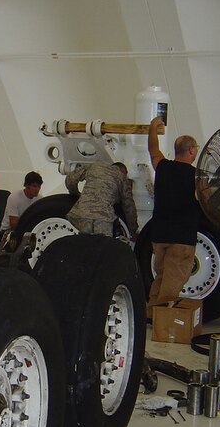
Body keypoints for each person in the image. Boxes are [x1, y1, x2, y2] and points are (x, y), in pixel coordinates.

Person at [146, 116, 201, 319]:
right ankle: (163, 322)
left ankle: (150, 315)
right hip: (182, 238)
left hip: (160, 236)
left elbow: (153, 149)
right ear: (191, 150)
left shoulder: (163, 167)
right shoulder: (198, 177)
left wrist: (152, 128)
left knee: (161, 278)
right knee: (173, 284)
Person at [65, 162, 138, 238]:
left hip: (84, 213)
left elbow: (71, 178)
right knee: (103, 243)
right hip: (103, 217)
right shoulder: (121, 176)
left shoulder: (95, 166)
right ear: (123, 171)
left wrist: (74, 193)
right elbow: (129, 207)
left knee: (85, 242)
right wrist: (133, 230)